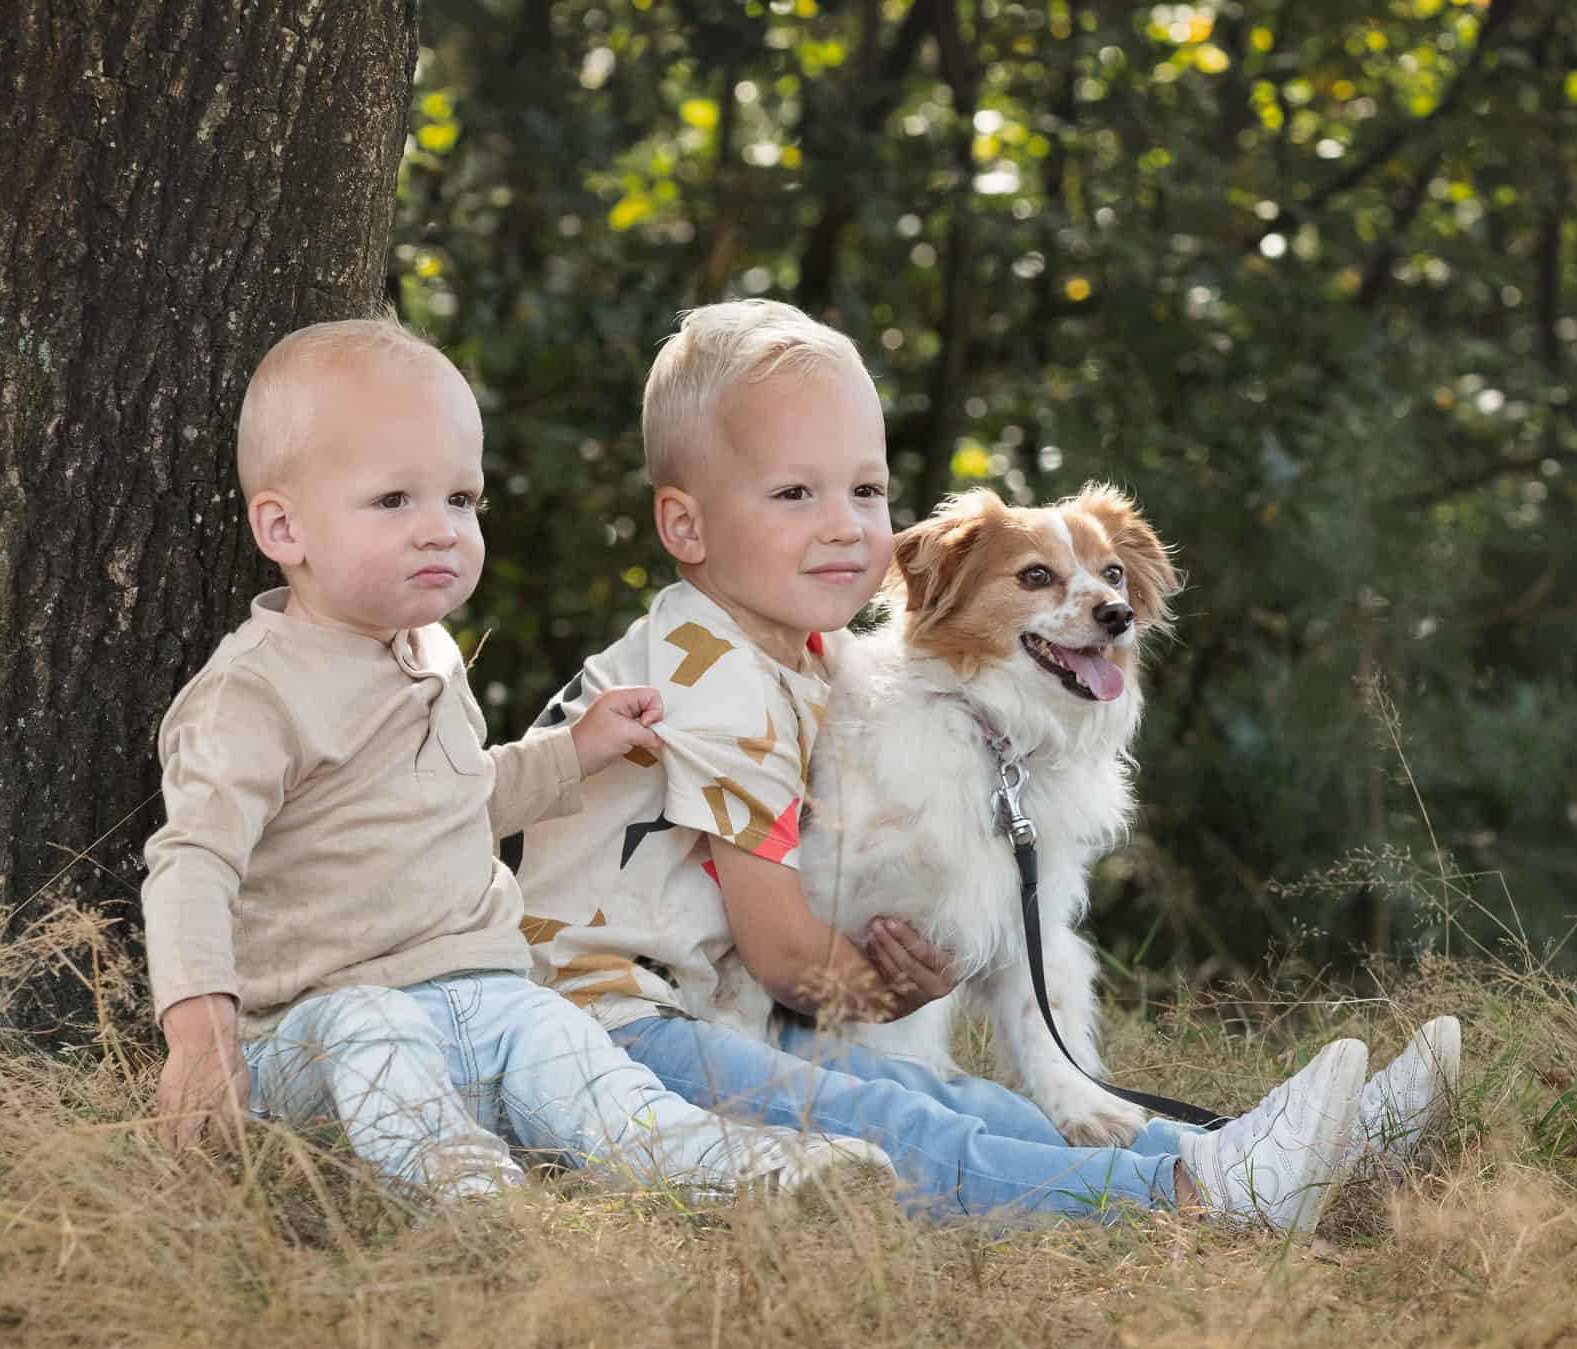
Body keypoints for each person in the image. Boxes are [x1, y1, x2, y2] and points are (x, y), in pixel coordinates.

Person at [512, 298, 1461, 1233]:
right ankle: (1202, 1194)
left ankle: (1269, 1153)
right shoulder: (720, 683)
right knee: (908, 1125)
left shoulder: (785, 654)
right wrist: (899, 989)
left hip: (691, 1020)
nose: (847, 526)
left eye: (867, 491)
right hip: (610, 1036)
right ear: (686, 527)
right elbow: (790, 959)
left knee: (957, 1100)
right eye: (796, 493)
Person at [140, 311, 888, 1200]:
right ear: (283, 527)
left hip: (482, 997)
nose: (440, 530)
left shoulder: (427, 653)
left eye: (461, 500)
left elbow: (456, 803)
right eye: (394, 500)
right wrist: (199, 1032)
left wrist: (575, 750)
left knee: (580, 1054)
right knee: (374, 1030)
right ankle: (461, 1190)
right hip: (316, 1027)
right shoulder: (255, 694)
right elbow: (191, 863)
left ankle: (737, 1172)